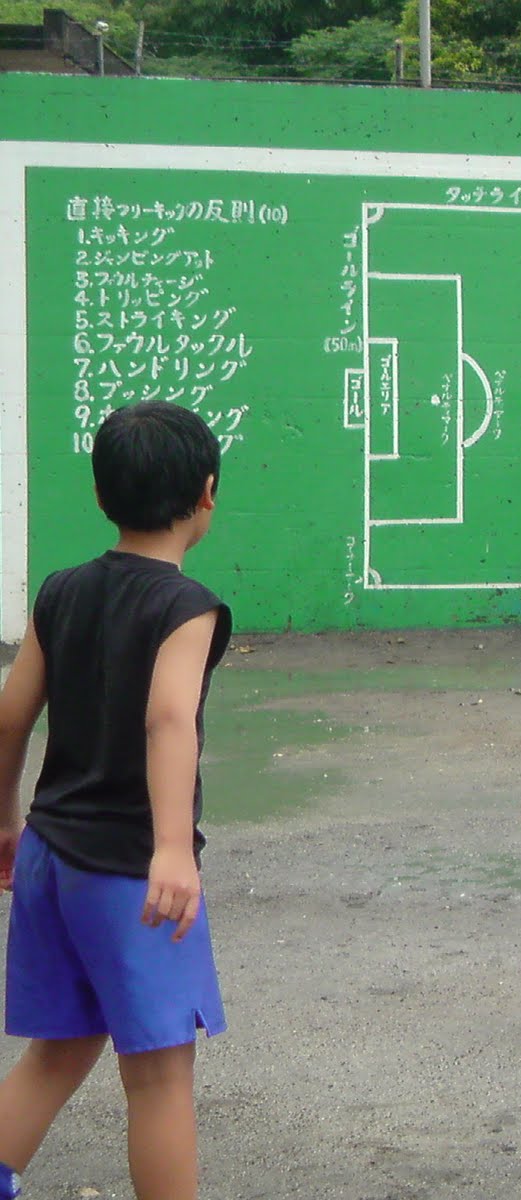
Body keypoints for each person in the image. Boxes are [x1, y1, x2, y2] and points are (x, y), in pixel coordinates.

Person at [0, 401, 232, 1200]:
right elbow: (168, 717)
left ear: (101, 498)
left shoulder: (59, 591)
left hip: (49, 857)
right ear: (207, 494)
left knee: (58, 1051)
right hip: (126, 872)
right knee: (161, 1079)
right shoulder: (185, 606)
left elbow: (9, 714)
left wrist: (5, 819)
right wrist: (171, 847)